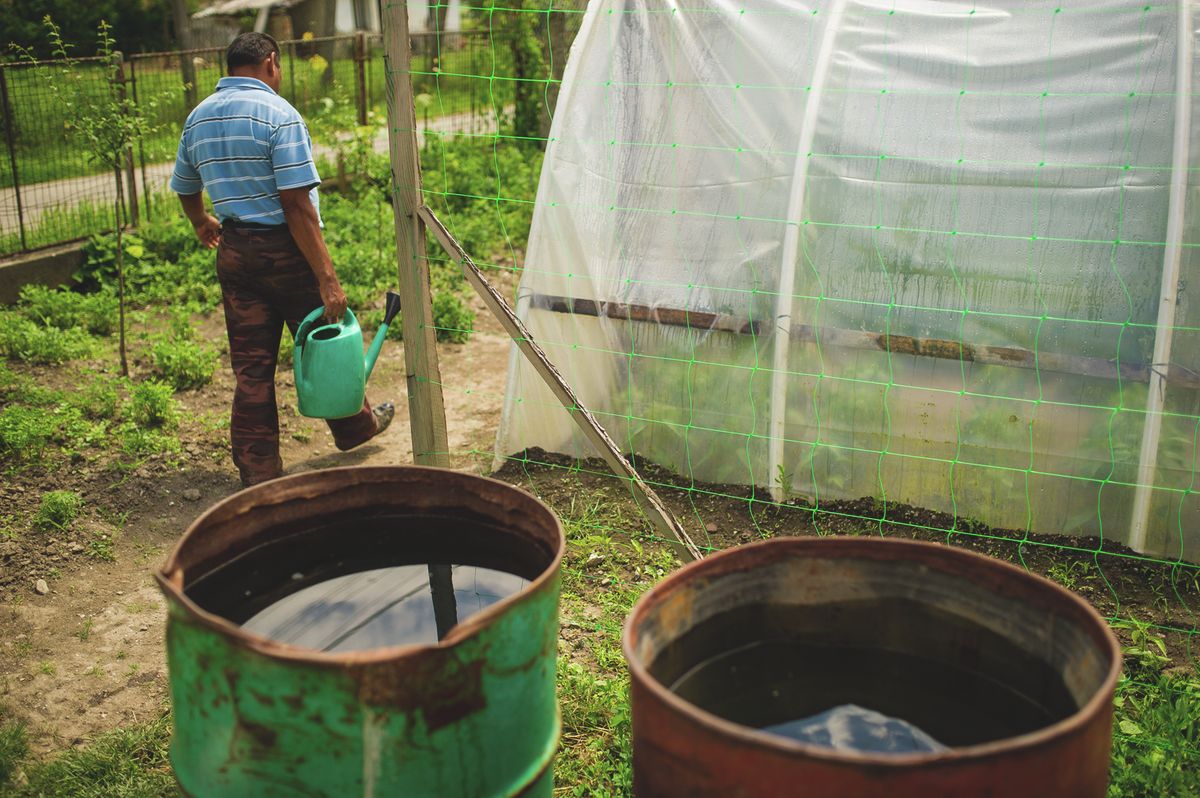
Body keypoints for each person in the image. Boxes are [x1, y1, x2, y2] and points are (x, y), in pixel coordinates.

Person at [170, 31, 393, 488]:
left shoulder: (198, 117)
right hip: (286, 255)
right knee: (325, 341)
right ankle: (355, 429)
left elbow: (185, 184)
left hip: (235, 252)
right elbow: (296, 206)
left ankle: (258, 471)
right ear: (271, 62)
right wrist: (327, 279)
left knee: (251, 367)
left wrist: (200, 221)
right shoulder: (279, 115)